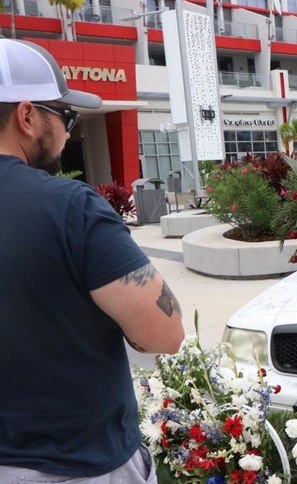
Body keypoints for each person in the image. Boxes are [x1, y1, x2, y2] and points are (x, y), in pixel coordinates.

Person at [0, 39, 185, 482]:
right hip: (76, 464)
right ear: (26, 117)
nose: (69, 133)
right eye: (65, 116)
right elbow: (165, 331)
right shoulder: (67, 207)